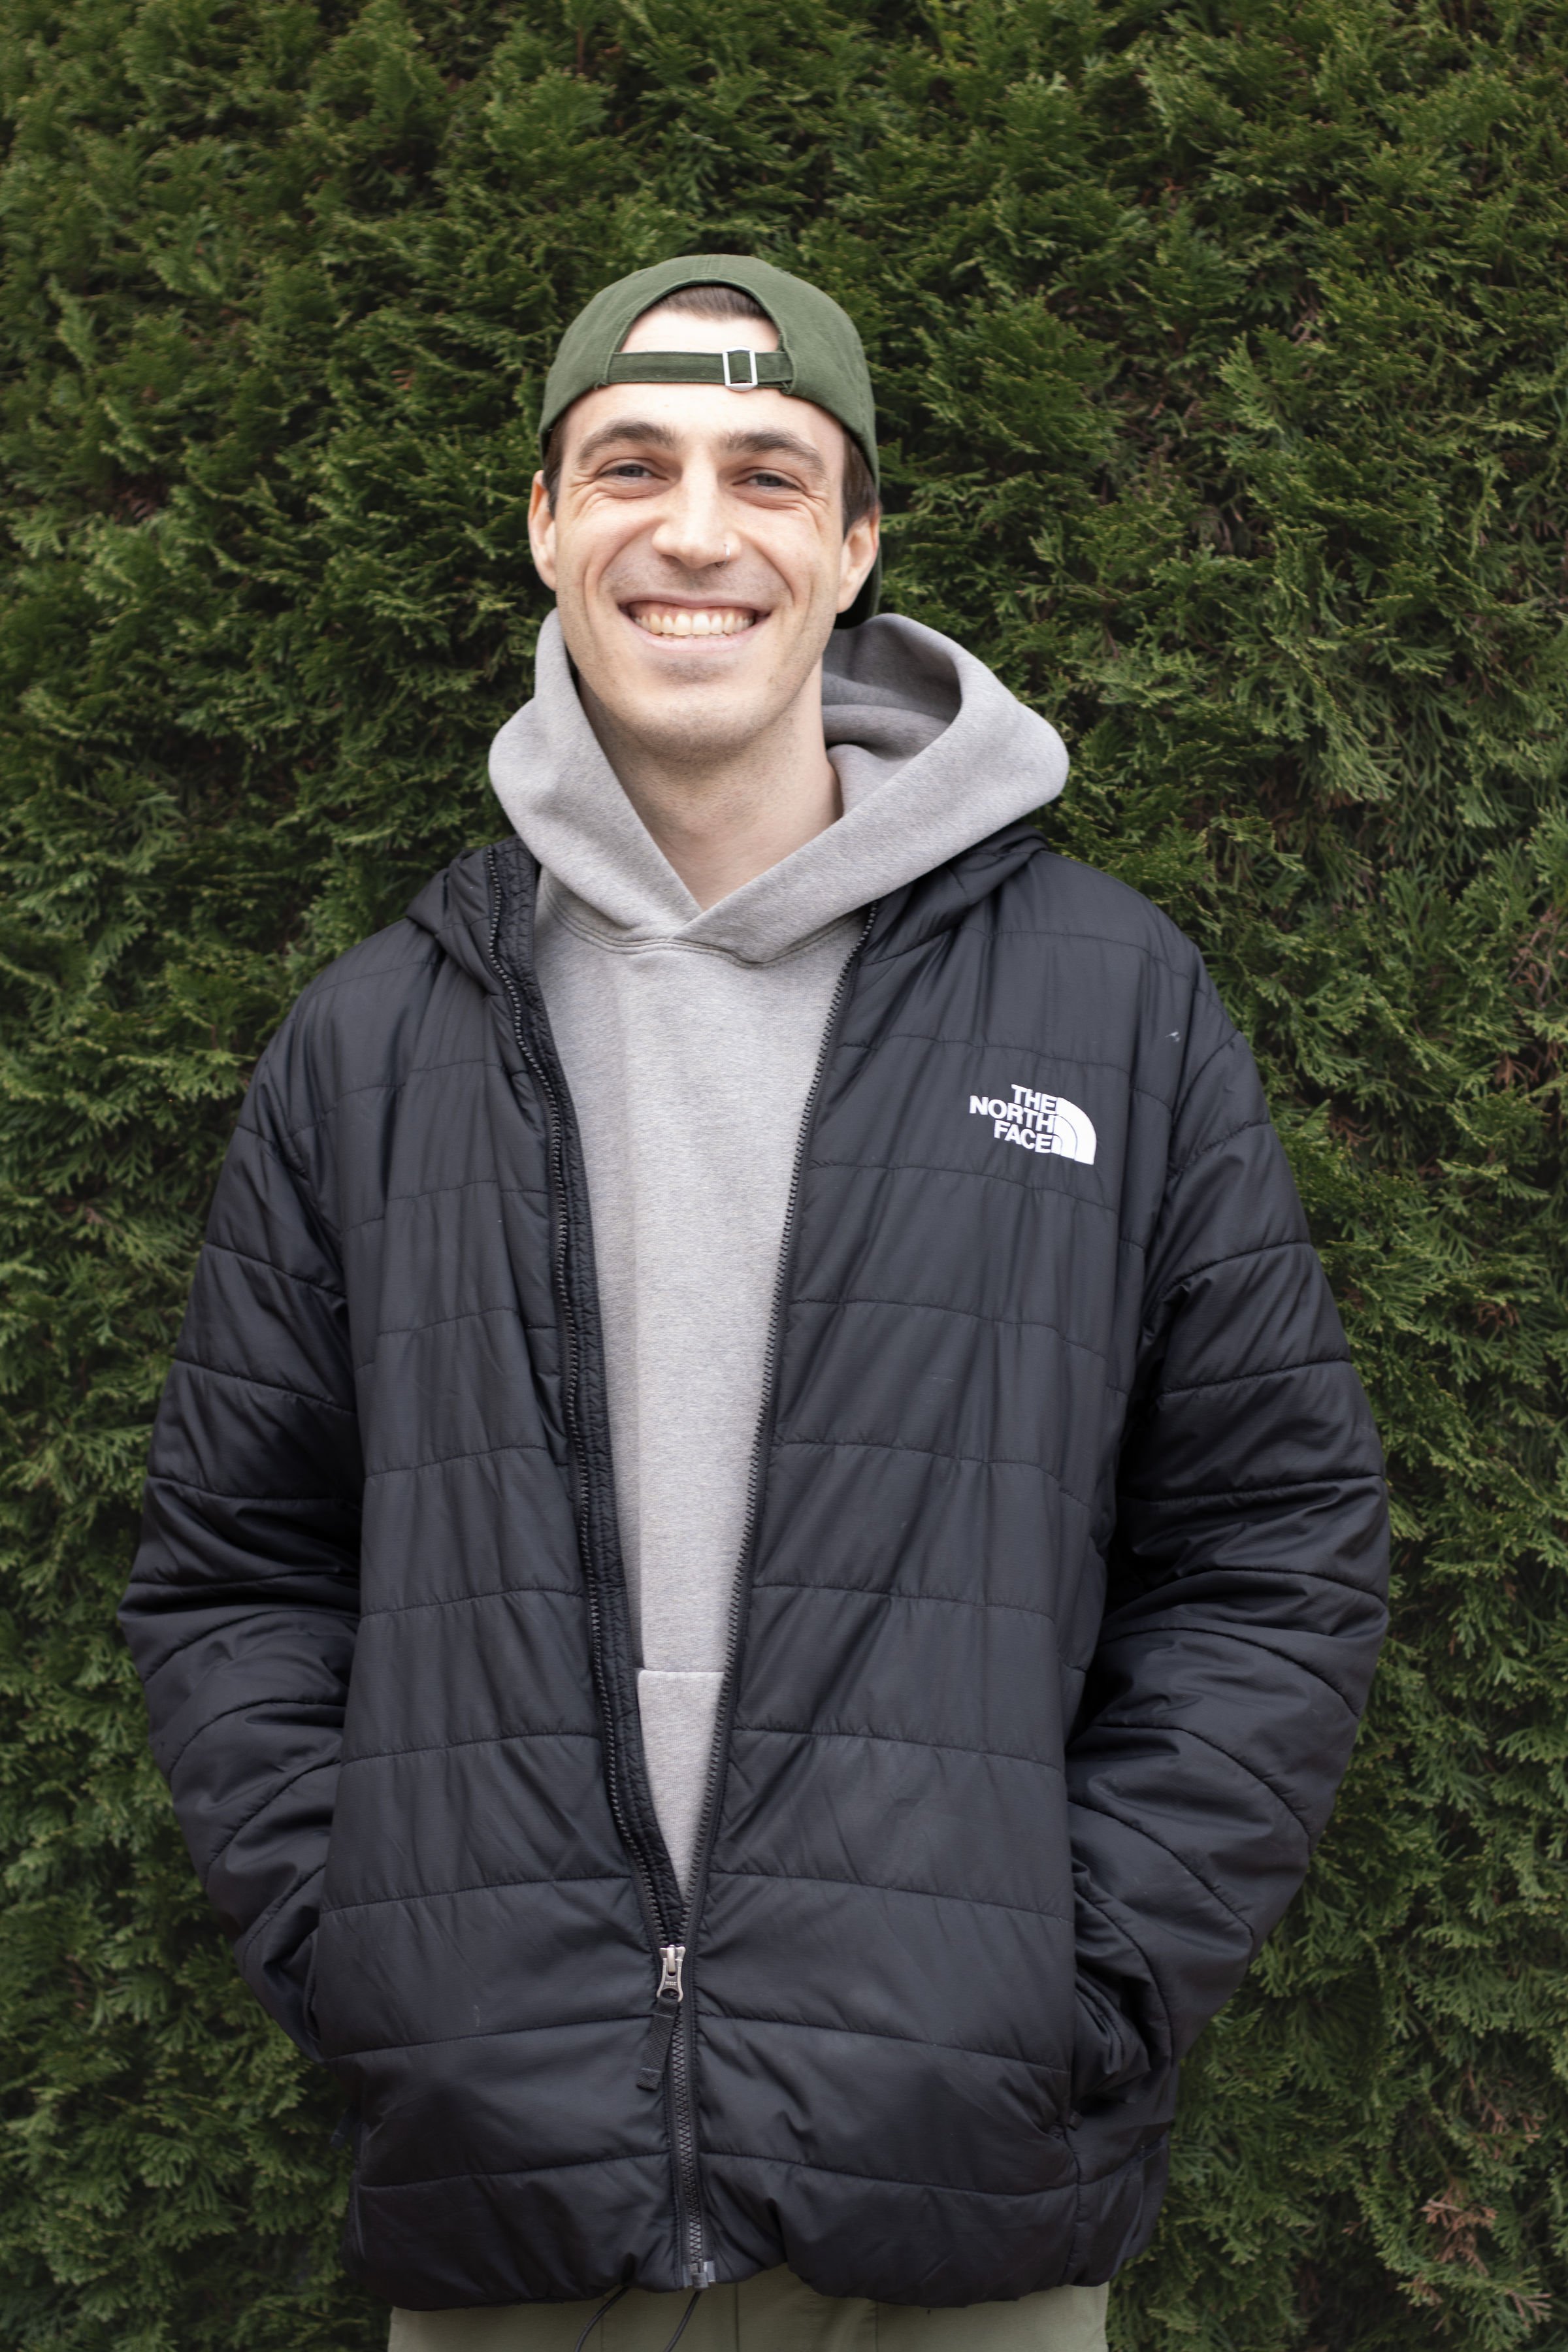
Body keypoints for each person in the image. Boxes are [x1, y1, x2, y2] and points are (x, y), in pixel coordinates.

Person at [120, 255, 1390, 2352]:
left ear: (856, 544)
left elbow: (1273, 1547)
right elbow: (234, 1573)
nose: (694, 531)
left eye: (768, 474)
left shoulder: (1109, 1002)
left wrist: (1073, 1981)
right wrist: (377, 1966)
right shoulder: (371, 1045)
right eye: (630, 465)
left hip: (959, 2197)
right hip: (513, 2182)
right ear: (547, 525)